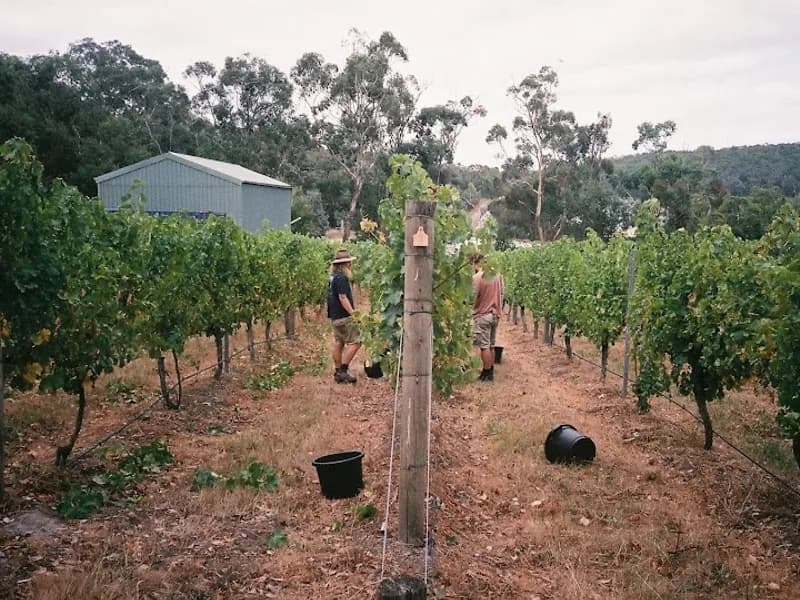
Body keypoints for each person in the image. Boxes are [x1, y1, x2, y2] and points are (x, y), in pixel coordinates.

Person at [327, 249, 361, 384]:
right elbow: (342, 297)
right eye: (349, 263)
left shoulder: (333, 277)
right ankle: (343, 370)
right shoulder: (341, 278)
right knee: (358, 341)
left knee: (339, 342)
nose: (350, 266)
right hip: (344, 316)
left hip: (335, 316)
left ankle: (337, 371)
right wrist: (353, 314)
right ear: (345, 264)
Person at [471, 254, 504, 381]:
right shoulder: (498, 276)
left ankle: (486, 373)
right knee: (491, 344)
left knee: (484, 346)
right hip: (495, 315)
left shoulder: (478, 278)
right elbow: (502, 293)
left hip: (483, 315)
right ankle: (490, 370)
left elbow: (473, 297)